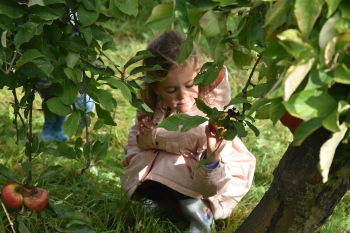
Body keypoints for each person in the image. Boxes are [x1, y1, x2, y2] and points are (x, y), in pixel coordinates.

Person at [119, 30, 256, 233]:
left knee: (171, 164)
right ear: (156, 88)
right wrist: (142, 138)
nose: (183, 96)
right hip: (188, 180)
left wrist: (153, 137)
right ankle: (166, 204)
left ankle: (202, 219)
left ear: (199, 74)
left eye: (190, 85)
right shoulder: (152, 107)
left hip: (216, 180)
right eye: (171, 90)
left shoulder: (212, 110)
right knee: (149, 163)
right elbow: (134, 143)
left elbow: (191, 139)